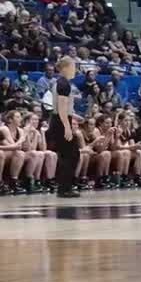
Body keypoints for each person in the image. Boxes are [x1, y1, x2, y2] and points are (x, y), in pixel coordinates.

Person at [48, 56, 80, 197]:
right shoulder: (63, 84)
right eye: (73, 67)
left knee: (71, 154)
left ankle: (65, 186)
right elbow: (61, 108)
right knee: (69, 155)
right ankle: (64, 188)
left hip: (60, 119)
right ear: (66, 67)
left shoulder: (60, 83)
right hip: (61, 121)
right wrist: (67, 126)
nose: (75, 70)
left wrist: (74, 116)